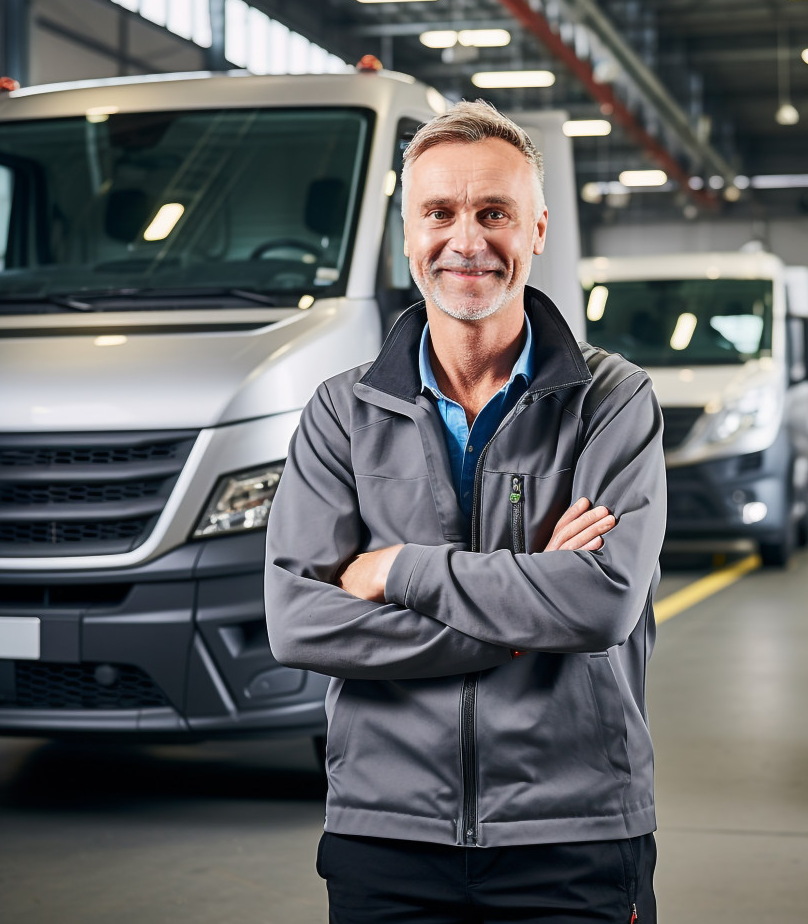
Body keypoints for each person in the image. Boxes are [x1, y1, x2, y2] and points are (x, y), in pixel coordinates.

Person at [265, 100, 666, 923]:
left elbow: (599, 603)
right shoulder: (341, 414)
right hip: (386, 832)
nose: (467, 240)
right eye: (439, 213)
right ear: (406, 233)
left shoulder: (613, 401)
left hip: (574, 833)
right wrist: (528, 611)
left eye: (495, 213)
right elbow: (299, 623)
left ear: (539, 230)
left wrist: (401, 570)